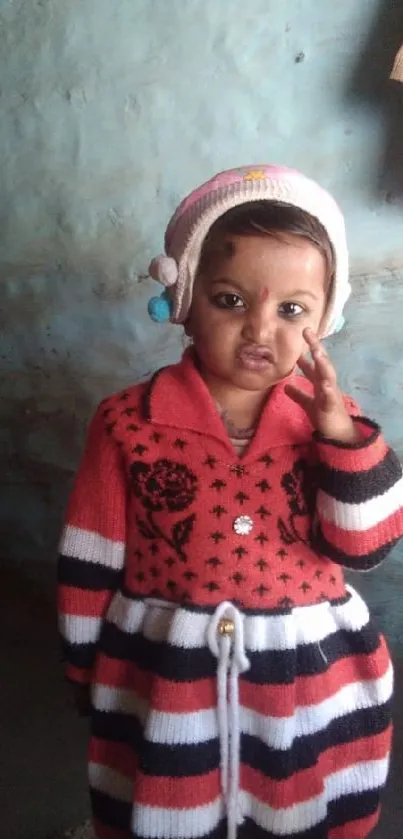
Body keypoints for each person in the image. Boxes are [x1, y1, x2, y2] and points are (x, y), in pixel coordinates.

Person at [58, 165, 403, 839]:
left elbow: (365, 547)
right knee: (165, 803)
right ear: (182, 297)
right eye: (228, 299)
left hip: (302, 675)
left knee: (295, 801)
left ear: (324, 318)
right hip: (165, 671)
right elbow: (90, 556)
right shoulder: (129, 421)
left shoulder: (331, 422)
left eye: (291, 310)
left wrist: (342, 439)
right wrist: (83, 666)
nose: (258, 330)